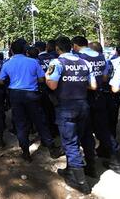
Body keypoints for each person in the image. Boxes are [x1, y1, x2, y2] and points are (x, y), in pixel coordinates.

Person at [45, 37, 96, 194]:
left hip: (66, 107)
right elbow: (93, 86)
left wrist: (47, 77)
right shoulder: (85, 63)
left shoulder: (57, 63)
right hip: (83, 105)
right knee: (80, 138)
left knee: (70, 143)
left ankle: (81, 183)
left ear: (58, 49)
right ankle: (73, 169)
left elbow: (52, 85)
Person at [0, 39, 62, 162]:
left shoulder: (7, 63)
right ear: (25, 50)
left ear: (11, 50)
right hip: (32, 94)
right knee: (40, 121)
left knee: (21, 124)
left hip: (15, 95)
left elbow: (1, 80)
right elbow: (41, 79)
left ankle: (26, 153)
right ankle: (51, 148)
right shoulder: (33, 62)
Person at [72, 36, 120, 175]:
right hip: (100, 96)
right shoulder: (102, 57)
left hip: (85, 97)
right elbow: (105, 77)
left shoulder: (78, 57)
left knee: (85, 132)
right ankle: (116, 161)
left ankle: (90, 166)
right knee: (103, 129)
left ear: (76, 46)